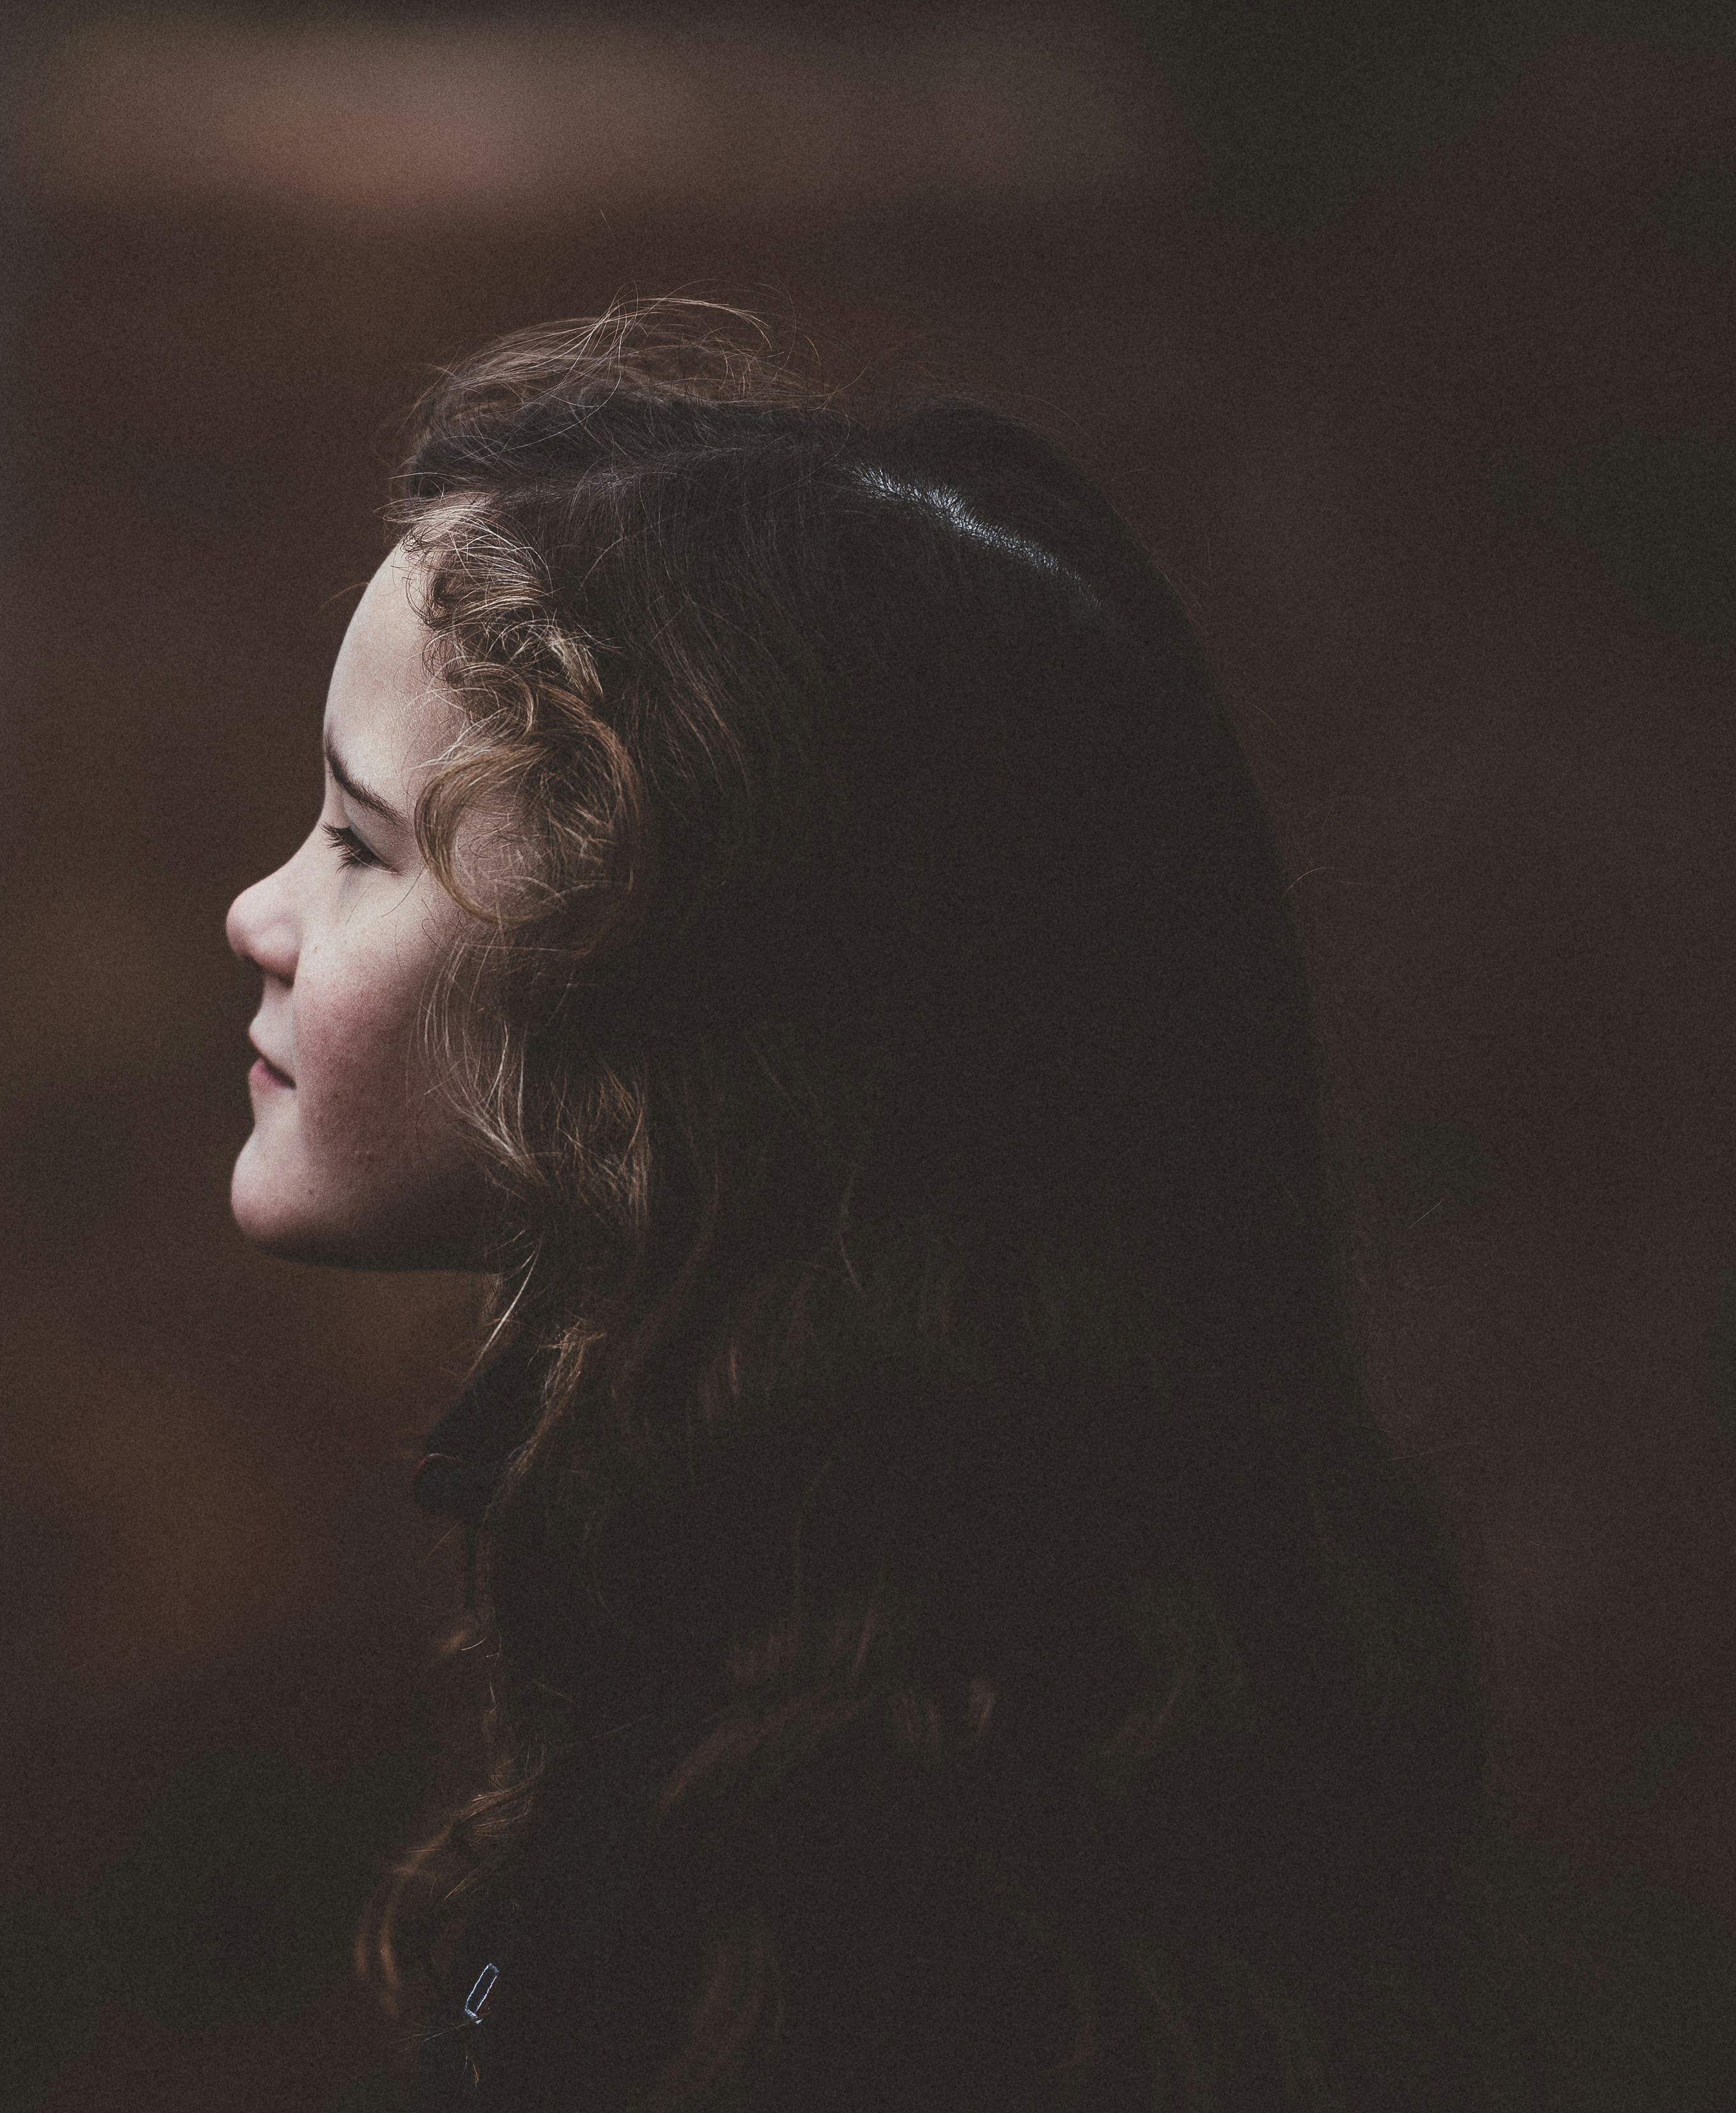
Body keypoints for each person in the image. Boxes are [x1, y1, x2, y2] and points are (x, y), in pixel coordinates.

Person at [224, 303, 1522, 2110]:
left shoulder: (874, 1878)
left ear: (677, 1007)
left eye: (361, 846)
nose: (256, 915)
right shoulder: (866, 1624)